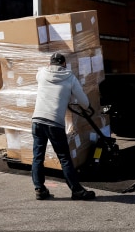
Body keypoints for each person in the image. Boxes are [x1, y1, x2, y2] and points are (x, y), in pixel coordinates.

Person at [31, 52, 96, 201]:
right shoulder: (70, 78)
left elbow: (43, 82)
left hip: (37, 121)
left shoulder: (41, 73)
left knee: (38, 156)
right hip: (54, 123)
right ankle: (77, 190)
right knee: (64, 158)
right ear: (64, 64)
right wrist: (73, 98)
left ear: (49, 64)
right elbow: (84, 102)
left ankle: (39, 189)